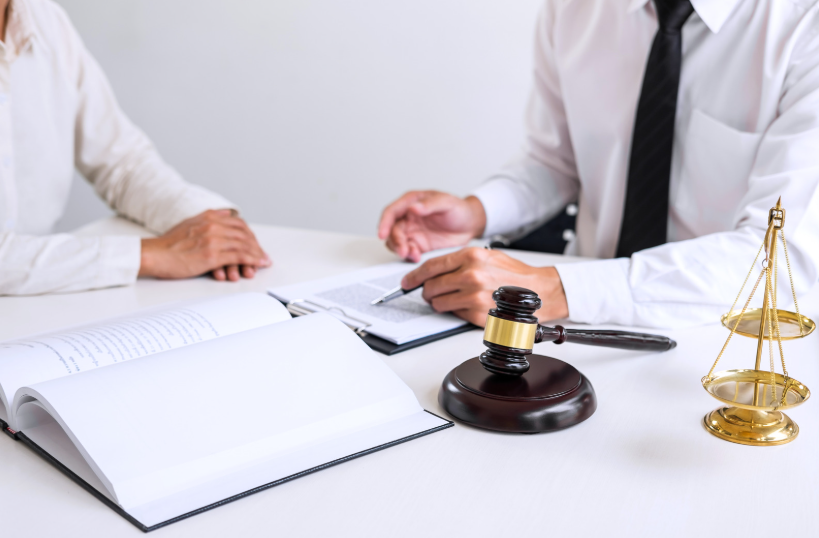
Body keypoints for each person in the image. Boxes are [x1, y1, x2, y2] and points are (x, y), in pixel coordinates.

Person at [378, 0, 819, 328]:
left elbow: (781, 258)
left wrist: (561, 289)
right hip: (575, 326)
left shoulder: (805, 25)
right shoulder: (574, 8)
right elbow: (556, 159)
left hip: (734, 342)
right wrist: (479, 212)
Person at [0, 0, 270, 296]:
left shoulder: (45, 19)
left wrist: (209, 226)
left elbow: (123, 163)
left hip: (37, 308)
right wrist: (149, 256)